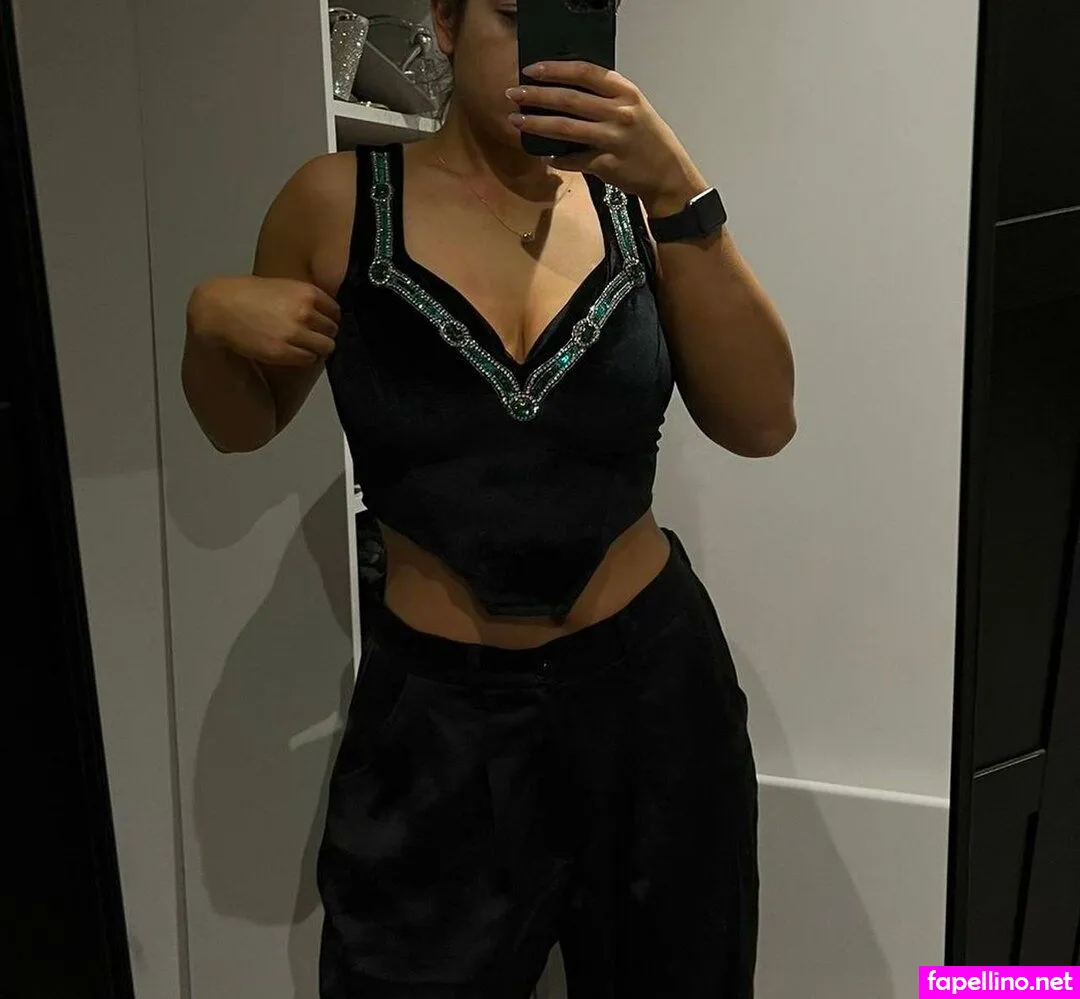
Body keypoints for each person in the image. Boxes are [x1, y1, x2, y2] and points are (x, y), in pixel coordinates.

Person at [182, 0, 795, 994]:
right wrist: (209, 324)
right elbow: (240, 426)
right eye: (515, 13)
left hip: (655, 700)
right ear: (446, 19)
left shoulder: (636, 202)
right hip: (440, 722)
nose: (543, 49)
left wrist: (681, 187)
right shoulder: (336, 203)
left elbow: (763, 421)